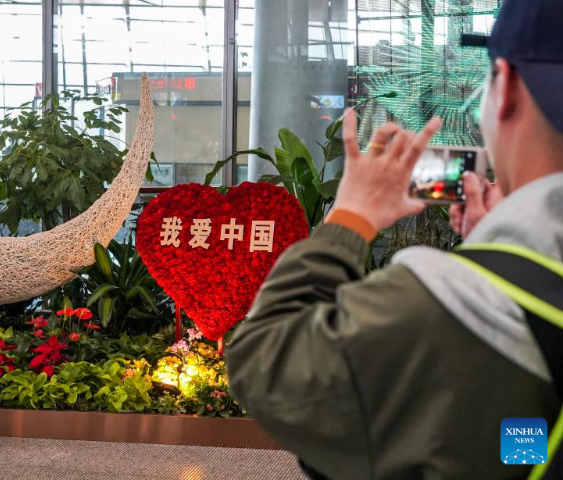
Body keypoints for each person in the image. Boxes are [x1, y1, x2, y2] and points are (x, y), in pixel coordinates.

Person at [226, 0, 563, 478]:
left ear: (504, 86)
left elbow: (265, 361)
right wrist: (505, 255)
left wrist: (351, 216)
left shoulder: (442, 308)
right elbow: (522, 437)